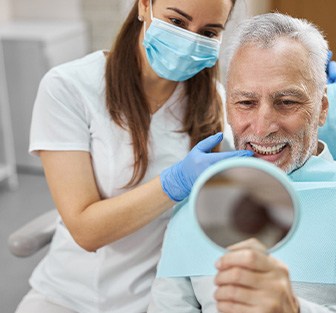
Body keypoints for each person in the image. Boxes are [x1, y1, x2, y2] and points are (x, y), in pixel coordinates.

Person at [148, 13, 336, 313]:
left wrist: (293, 309)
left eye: (287, 102)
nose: (263, 126)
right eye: (246, 103)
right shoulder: (195, 209)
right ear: (228, 108)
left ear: (321, 108)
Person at [15, 0, 255, 312]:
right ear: (144, 6)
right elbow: (86, 231)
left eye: (208, 32)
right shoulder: (69, 88)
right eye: (177, 22)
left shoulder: (215, 104)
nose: (189, 42)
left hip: (159, 300)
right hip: (68, 296)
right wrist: (174, 183)